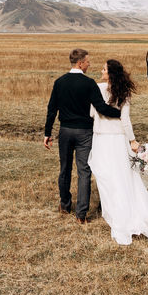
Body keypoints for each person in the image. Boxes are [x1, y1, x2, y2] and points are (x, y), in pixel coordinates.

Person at [43, 48, 123, 224]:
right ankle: (81, 214)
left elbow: (51, 110)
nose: (89, 64)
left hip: (65, 131)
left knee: (64, 169)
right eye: (87, 61)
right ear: (80, 63)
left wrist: (47, 133)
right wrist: (120, 113)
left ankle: (64, 205)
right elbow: (101, 107)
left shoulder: (59, 82)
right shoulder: (89, 84)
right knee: (84, 171)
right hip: (85, 133)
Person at [88, 59, 148, 245]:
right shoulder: (124, 92)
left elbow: (91, 113)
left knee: (105, 173)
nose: (101, 70)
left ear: (110, 73)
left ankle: (114, 207)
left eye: (104, 69)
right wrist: (132, 140)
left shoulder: (97, 88)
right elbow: (125, 120)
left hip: (102, 137)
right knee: (121, 174)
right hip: (118, 138)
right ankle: (123, 206)